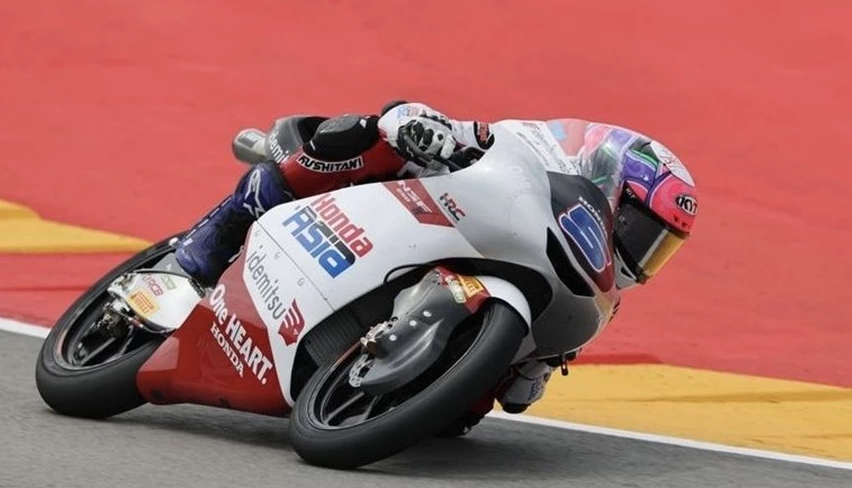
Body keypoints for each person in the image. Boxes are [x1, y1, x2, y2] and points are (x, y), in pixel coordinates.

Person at [174, 100, 699, 434]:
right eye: (641, 231)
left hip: (474, 287)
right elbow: (414, 119)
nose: (643, 253)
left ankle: (370, 387)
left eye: (660, 247)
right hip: (416, 205)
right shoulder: (539, 149)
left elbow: (519, 396)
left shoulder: (599, 294)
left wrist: (534, 367)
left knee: (462, 421)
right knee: (366, 132)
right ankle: (217, 234)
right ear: (611, 182)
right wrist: (423, 129)